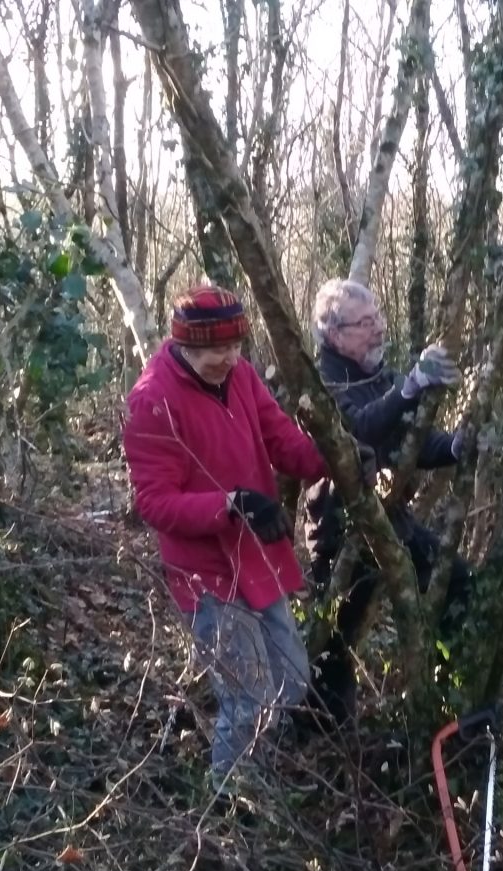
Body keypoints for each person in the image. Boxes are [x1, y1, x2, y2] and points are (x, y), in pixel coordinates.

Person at [122, 283, 329, 786]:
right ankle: (229, 802)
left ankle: (259, 768)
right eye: (216, 349)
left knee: (292, 677)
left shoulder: (242, 375)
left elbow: (280, 436)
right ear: (184, 346)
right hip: (205, 575)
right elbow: (153, 502)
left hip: (256, 557)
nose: (228, 358)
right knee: (248, 692)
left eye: (235, 346)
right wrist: (231, 504)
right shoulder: (152, 401)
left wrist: (335, 461)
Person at [304, 278, 471, 723]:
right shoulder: (321, 380)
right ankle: (318, 731)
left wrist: (453, 446)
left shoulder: (377, 372)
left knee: (456, 582)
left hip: (389, 518)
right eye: (365, 323)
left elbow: (406, 441)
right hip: (341, 530)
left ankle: (446, 698)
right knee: (335, 639)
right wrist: (410, 387)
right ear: (335, 334)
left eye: (377, 317)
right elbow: (357, 430)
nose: (378, 329)